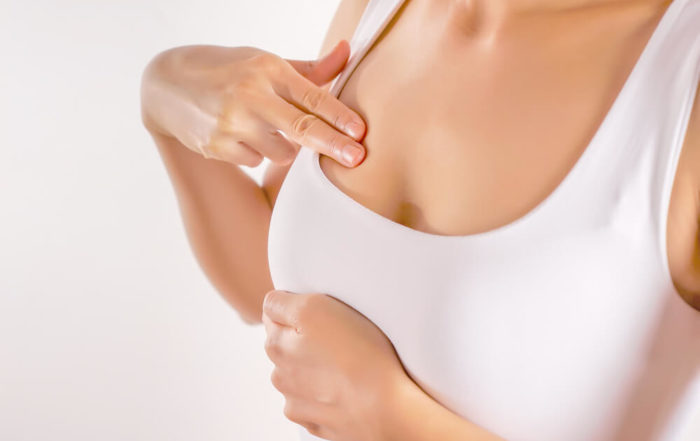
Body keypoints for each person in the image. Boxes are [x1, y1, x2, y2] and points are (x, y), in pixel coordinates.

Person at [141, 0, 700, 439]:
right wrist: (163, 95)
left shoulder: (684, 79)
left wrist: (398, 422)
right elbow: (275, 296)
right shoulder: (381, 11)